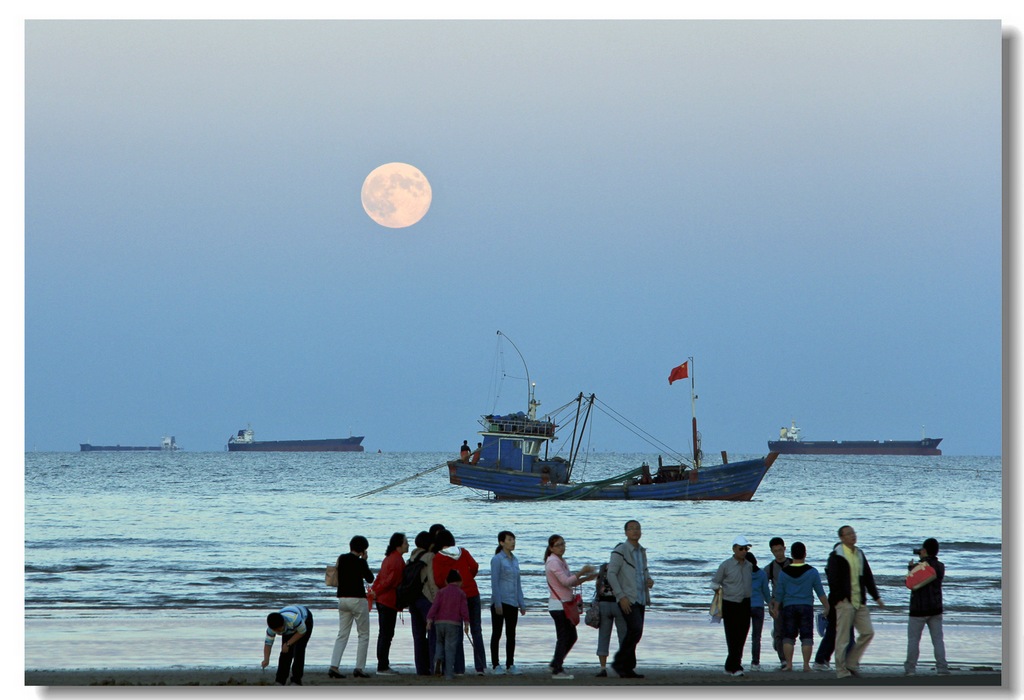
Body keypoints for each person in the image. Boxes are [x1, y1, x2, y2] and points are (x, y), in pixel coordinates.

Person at [825, 525, 885, 679]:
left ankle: (851, 663)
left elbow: (867, 576)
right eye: (849, 534)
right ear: (842, 537)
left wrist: (876, 597)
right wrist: (840, 599)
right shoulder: (836, 556)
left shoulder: (859, 553)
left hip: (860, 600)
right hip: (844, 601)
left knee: (867, 632)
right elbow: (832, 579)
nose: (853, 535)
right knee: (843, 638)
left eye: (853, 533)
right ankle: (841, 670)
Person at [432, 529, 486, 675]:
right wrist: (467, 578)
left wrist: (448, 588)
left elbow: (437, 580)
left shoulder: (438, 558)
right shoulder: (463, 551)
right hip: (472, 592)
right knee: (476, 630)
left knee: (457, 631)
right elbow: (474, 567)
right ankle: (481, 667)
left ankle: (459, 669)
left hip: (455, 596)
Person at [605, 519, 654, 679]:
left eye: (637, 528)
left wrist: (649, 580)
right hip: (628, 598)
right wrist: (621, 596)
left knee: (635, 632)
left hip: (640, 597)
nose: (635, 531)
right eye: (631, 529)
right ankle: (620, 663)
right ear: (626, 532)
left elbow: (643, 571)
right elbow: (611, 574)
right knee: (635, 629)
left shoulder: (641, 551)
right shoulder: (620, 550)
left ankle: (627, 667)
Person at [544, 534, 597, 680]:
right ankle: (557, 669)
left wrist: (585, 578)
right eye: (558, 545)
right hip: (558, 605)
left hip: (564, 604)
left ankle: (555, 663)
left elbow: (570, 583)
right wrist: (582, 572)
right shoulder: (553, 562)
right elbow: (566, 582)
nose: (562, 547)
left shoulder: (560, 561)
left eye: (563, 544)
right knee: (564, 637)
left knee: (571, 636)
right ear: (551, 548)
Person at [774, 542, 830, 672]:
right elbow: (820, 591)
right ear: (805, 554)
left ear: (791, 555)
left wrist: (776, 607)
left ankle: (789, 664)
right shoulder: (812, 572)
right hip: (806, 607)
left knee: (788, 637)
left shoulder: (784, 572)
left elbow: (779, 593)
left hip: (789, 607)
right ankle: (806, 665)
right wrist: (827, 606)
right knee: (806, 637)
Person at [328, 536, 375, 680]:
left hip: (342, 599)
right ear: (363, 550)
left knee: (342, 634)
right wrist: (365, 561)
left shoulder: (342, 558)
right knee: (363, 634)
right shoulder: (360, 562)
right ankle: (359, 667)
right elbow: (370, 579)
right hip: (357, 599)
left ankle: (334, 666)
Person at [904, 537, 949, 676]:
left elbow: (910, 583)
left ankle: (910, 669)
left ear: (924, 550)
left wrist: (911, 569)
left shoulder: (919, 567)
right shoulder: (940, 566)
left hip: (918, 609)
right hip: (935, 608)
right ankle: (942, 667)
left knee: (913, 640)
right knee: (937, 639)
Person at [711, 535, 753, 677]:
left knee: (742, 634)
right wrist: (720, 592)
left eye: (746, 548)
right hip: (730, 603)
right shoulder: (726, 565)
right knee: (732, 636)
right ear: (734, 549)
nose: (744, 551)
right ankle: (734, 666)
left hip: (745, 603)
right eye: (741, 548)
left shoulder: (749, 565)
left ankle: (731, 664)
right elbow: (715, 583)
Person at [370, 532, 408, 674]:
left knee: (384, 634)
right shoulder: (397, 560)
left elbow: (380, 577)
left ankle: (383, 664)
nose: (408, 545)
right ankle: (383, 666)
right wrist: (376, 591)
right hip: (388, 601)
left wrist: (374, 590)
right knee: (386, 634)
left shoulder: (389, 558)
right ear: (398, 545)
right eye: (405, 542)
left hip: (383, 600)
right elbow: (389, 581)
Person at [489, 530, 526, 675]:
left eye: (513, 539)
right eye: (510, 540)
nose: (513, 542)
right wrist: (497, 603)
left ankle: (510, 664)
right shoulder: (497, 559)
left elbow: (518, 583)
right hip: (500, 601)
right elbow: (495, 582)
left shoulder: (515, 559)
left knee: (511, 634)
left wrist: (521, 603)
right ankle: (495, 665)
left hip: (512, 602)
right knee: (497, 633)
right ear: (501, 542)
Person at [426, 569, 471, 681]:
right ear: (459, 581)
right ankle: (449, 674)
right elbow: (464, 610)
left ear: (447, 581)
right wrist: (466, 623)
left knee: (439, 643)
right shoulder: (461, 593)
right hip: (453, 623)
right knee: (450, 648)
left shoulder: (441, 592)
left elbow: (434, 606)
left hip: (439, 623)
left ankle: (438, 659)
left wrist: (429, 620)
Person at [408, 531, 440, 676]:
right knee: (433, 634)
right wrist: (436, 601)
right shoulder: (430, 557)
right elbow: (431, 581)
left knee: (418, 636)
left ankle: (421, 669)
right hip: (426, 599)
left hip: (413, 600)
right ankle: (434, 667)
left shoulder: (411, 557)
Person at [261, 604, 313, 686]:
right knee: (285, 652)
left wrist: (288, 643)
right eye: (275, 631)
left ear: (283, 624)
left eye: (279, 630)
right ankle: (280, 680)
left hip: (305, 621)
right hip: (289, 628)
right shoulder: (271, 629)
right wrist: (266, 659)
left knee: (299, 650)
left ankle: (296, 680)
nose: (278, 632)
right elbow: (268, 644)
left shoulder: (294, 619)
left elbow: (302, 632)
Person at [593, 562, 627, 677]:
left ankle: (603, 668)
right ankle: (623, 667)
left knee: (603, 636)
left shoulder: (604, 567)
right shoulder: (623, 566)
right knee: (623, 637)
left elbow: (597, 585)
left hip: (603, 603)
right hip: (619, 604)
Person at [765, 536, 792, 670]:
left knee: (792, 632)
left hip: (792, 601)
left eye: (780, 550)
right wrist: (770, 602)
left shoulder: (793, 563)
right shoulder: (769, 568)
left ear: (784, 549)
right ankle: (784, 660)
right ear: (772, 551)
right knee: (780, 632)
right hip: (777, 603)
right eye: (775, 551)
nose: (779, 553)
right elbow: (762, 585)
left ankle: (778, 643)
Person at [746, 552, 771, 671]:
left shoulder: (743, 573)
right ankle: (755, 662)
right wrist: (771, 605)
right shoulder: (762, 574)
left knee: (741, 636)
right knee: (756, 637)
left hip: (745, 607)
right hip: (759, 607)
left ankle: (737, 660)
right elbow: (766, 592)